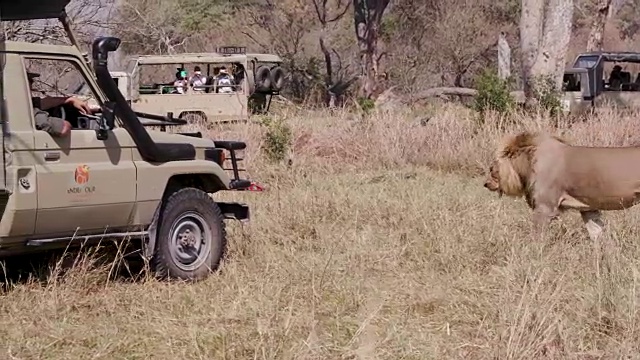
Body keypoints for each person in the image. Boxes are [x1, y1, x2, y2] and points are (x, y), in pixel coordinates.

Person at [28, 72, 94, 137]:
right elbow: (63, 129)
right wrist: (69, 124)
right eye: (29, 81)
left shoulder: (25, 103)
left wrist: (69, 100)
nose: (32, 84)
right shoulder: (27, 112)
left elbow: (42, 102)